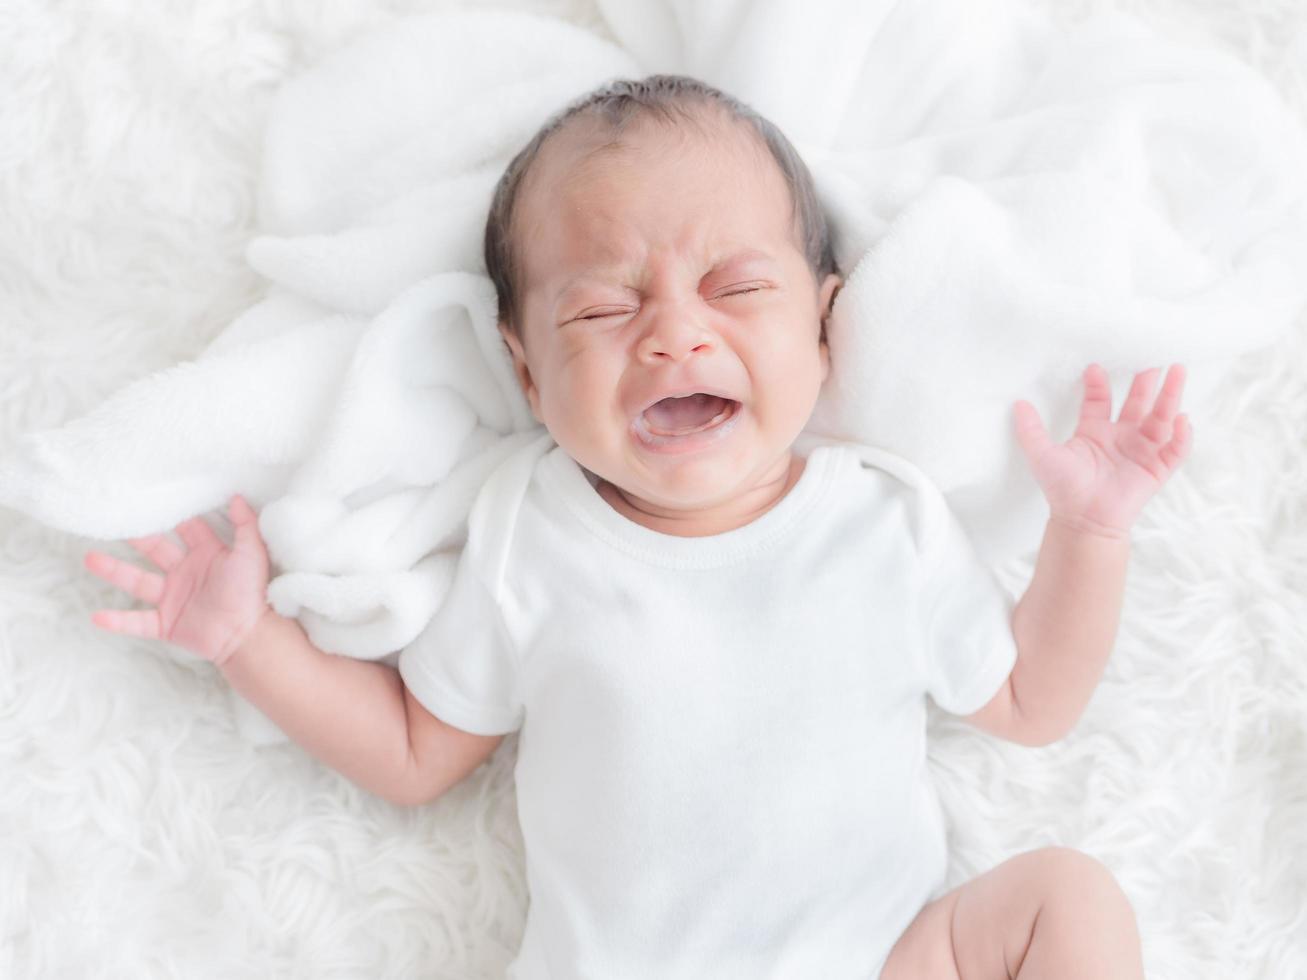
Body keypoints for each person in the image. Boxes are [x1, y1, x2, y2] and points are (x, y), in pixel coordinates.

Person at [84, 75, 1192, 979]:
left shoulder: (881, 516)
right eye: (602, 309)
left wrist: (1086, 535)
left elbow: (1031, 701)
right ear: (525, 370)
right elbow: (416, 752)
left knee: (1067, 898)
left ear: (822, 323)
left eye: (732, 285)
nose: (673, 333)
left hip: (881, 957)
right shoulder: (527, 532)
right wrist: (249, 641)